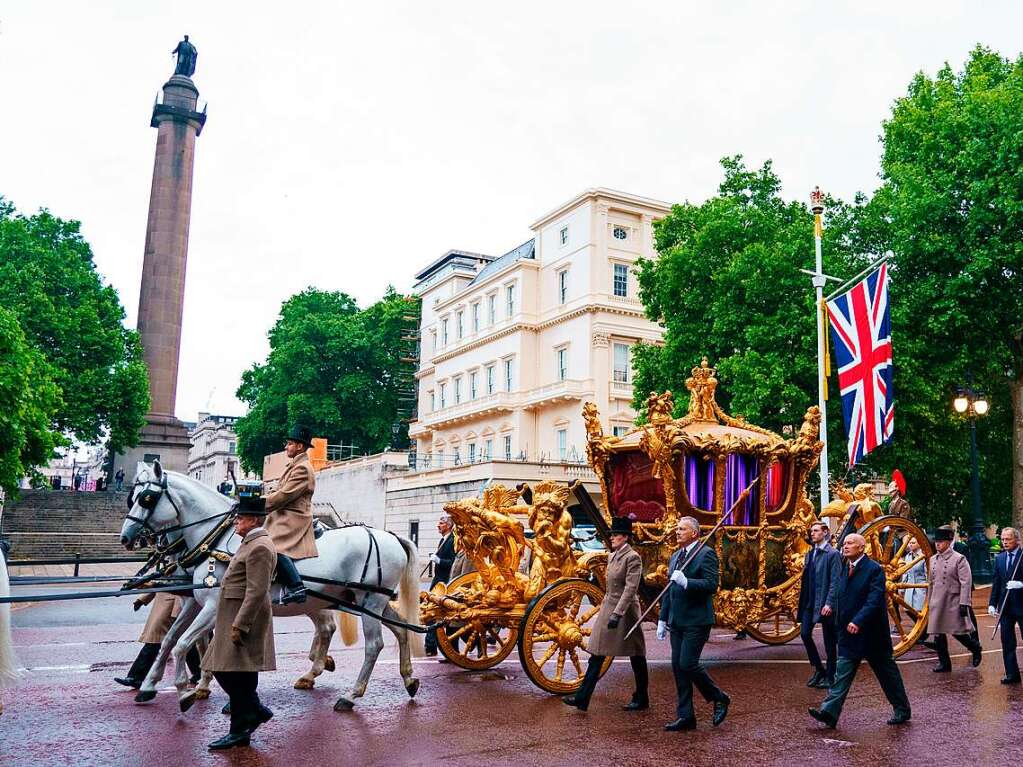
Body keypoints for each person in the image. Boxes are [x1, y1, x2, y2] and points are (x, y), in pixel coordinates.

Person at [808, 533, 911, 729]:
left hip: (872, 634)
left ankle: (902, 709)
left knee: (887, 674)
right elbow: (839, 595)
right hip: (848, 633)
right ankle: (829, 713)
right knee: (842, 674)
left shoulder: (874, 570)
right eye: (844, 543)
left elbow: (874, 600)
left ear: (861, 548)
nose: (845, 546)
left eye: (850, 543)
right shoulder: (844, 567)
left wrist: (858, 620)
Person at [201, 494, 277, 751]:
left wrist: (240, 624)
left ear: (254, 520)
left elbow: (257, 591)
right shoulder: (249, 542)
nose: (235, 522)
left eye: (240, 518)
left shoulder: (260, 547)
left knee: (235, 674)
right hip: (232, 615)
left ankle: (240, 729)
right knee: (229, 671)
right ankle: (251, 714)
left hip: (243, 619)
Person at [563, 517, 648, 712]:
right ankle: (582, 699)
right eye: (611, 535)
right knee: (597, 653)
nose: (612, 538)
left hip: (625, 612)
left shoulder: (632, 557)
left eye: (615, 535)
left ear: (625, 537)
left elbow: (630, 589)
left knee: (636, 655)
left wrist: (617, 614)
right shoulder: (613, 556)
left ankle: (642, 697)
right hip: (608, 607)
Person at [658, 515, 730, 732]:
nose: (677, 532)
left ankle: (719, 697)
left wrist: (687, 581)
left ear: (694, 533)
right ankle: (686, 716)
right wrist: (662, 618)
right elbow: (670, 591)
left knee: (688, 663)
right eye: (677, 528)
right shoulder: (675, 557)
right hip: (677, 620)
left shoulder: (706, 554)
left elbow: (711, 585)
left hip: (697, 620)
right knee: (678, 668)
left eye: (682, 529)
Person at [264, 425, 318, 604]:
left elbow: (284, 496)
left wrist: (258, 505)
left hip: (293, 516)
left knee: (272, 544)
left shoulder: (302, 468)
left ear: (300, 447)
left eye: (289, 444)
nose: (286, 447)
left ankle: (297, 587)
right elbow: (277, 490)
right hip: (283, 513)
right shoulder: (294, 465)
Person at [114, 593, 200, 689]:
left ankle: (198, 673)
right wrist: (142, 599)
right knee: (155, 642)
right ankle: (135, 677)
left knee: (182, 643)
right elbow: (159, 581)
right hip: (164, 606)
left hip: (180, 604)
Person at [926, 526, 982, 672]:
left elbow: (966, 582)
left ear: (949, 542)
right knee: (938, 632)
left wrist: (964, 603)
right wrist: (928, 601)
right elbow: (930, 583)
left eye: (941, 541)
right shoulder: (932, 559)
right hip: (937, 600)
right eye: (936, 541)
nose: (937, 544)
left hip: (953, 600)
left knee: (957, 631)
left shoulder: (959, 558)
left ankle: (975, 647)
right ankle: (944, 663)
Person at [797, 520, 842, 688]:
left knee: (830, 641)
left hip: (824, 603)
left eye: (816, 531)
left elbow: (835, 582)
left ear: (825, 532)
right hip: (810, 602)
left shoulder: (833, 554)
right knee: (804, 634)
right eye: (811, 531)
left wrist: (829, 603)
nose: (812, 533)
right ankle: (818, 669)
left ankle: (831, 677)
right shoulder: (810, 553)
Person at [988, 526, 1023, 684]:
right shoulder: (1000, 558)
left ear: (1017, 540)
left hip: (1021, 605)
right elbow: (996, 583)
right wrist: (992, 604)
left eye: (1008, 539)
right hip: (1005, 607)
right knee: (1007, 641)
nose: (1004, 542)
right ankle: (1012, 674)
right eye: (1003, 539)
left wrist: (1021, 584)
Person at [424, 515, 456, 657]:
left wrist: (439, 560)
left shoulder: (452, 540)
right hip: (437, 580)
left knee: (434, 612)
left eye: (441, 523)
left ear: (449, 526)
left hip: (445, 581)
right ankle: (431, 644)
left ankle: (431, 644)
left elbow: (453, 563)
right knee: (430, 610)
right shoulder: (443, 540)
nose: (438, 525)